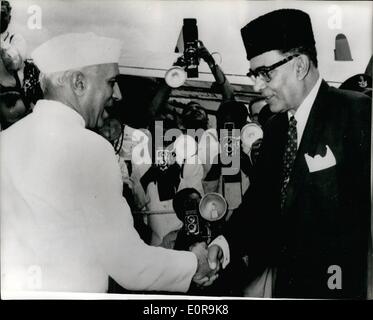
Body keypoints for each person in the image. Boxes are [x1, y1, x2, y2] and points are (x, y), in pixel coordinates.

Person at [0, 32, 216, 293]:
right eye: (111, 82)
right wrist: (194, 264)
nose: (117, 94)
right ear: (78, 83)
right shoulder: (91, 149)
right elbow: (130, 265)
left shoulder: (6, 142)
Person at [208, 9, 371, 299]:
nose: (257, 85)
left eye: (264, 73)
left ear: (300, 66)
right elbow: (260, 203)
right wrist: (225, 243)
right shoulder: (275, 129)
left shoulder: (358, 114)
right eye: (253, 74)